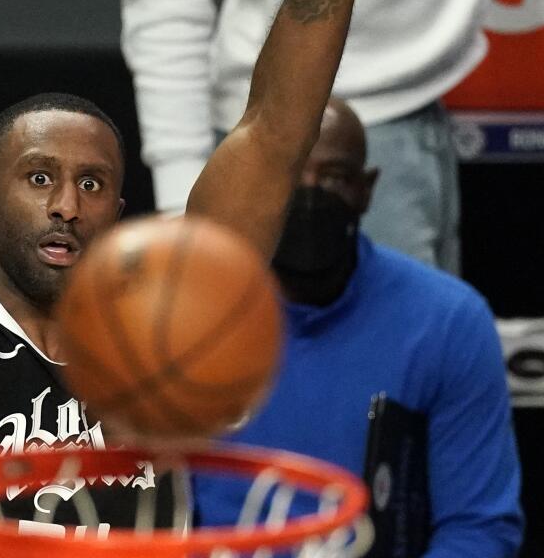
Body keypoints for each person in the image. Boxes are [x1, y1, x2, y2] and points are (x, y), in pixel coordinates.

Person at [0, 0, 354, 528]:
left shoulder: (163, 338)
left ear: (118, 214)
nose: (67, 206)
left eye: (91, 184)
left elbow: (274, 133)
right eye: (39, 178)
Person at [193, 98, 524, 556]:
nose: (309, 195)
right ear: (255, 185)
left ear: (366, 190)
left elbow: (478, 527)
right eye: (290, 175)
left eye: (333, 178)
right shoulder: (190, 315)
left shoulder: (447, 320)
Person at [121, 0, 488, 275]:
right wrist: (179, 191)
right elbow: (165, 7)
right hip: (253, 122)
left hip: (419, 106)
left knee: (417, 358)